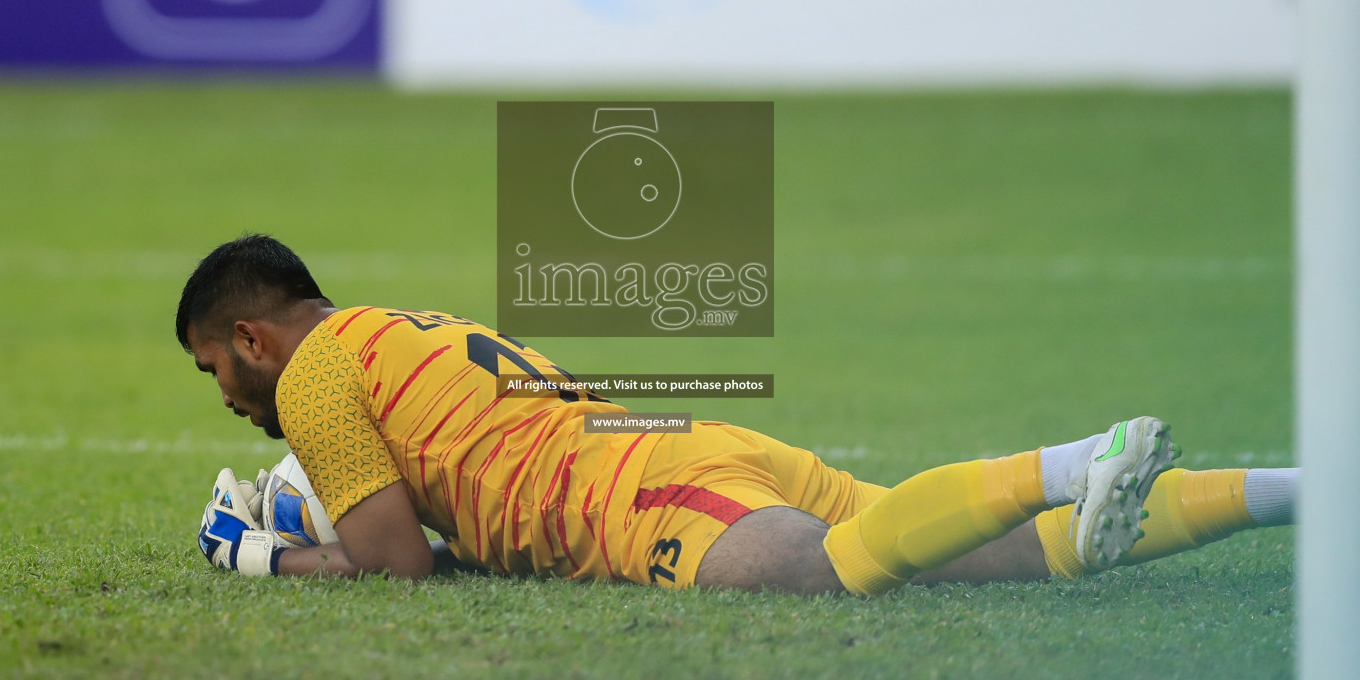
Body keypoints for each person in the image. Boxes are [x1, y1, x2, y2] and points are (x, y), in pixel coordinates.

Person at [180, 235, 1296, 595]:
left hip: (640, 494)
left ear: (252, 339)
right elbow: (428, 522)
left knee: (826, 572)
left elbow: (398, 570)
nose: (226, 398)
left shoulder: (313, 376)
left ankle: (1073, 458)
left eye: (212, 369)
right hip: (677, 448)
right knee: (987, 557)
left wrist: (265, 555)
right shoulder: (384, 329)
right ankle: (1295, 491)